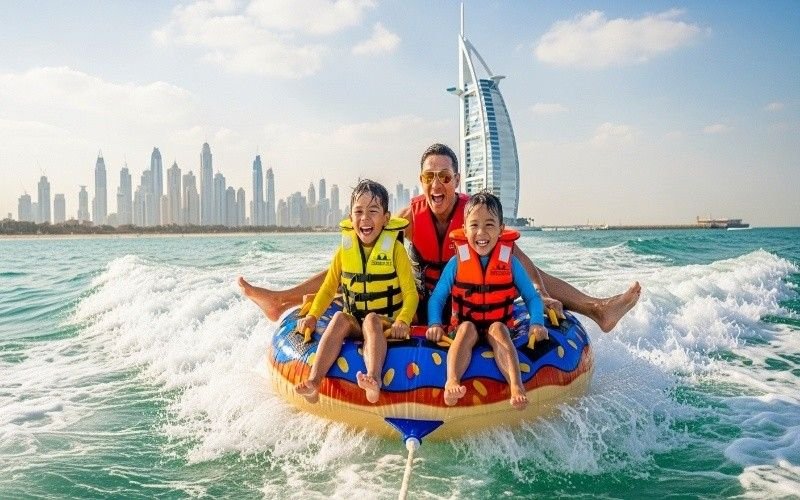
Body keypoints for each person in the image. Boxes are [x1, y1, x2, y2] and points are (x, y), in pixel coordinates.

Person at [239, 143, 640, 332]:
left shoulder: (474, 216)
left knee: (516, 276)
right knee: (357, 274)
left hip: (469, 298)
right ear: (421, 182)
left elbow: (514, 256)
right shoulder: (410, 215)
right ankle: (283, 301)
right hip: (424, 300)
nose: (437, 184)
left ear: (456, 181)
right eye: (429, 177)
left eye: (444, 176)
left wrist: (538, 290)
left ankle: (596, 309)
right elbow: (358, 255)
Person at [293, 180, 418, 404]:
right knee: (340, 317)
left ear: (386, 218)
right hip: (355, 320)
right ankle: (314, 381)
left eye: (373, 211)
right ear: (351, 218)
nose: (365, 218)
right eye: (358, 212)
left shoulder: (396, 250)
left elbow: (411, 294)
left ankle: (373, 380)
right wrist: (312, 316)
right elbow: (328, 289)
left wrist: (403, 321)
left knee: (371, 320)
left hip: (387, 322)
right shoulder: (344, 251)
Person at [426, 191, 547, 410]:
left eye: (489, 225)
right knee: (466, 330)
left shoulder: (509, 262)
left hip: (497, 324)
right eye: (474, 226)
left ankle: (516, 386)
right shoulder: (457, 263)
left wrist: (537, 322)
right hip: (465, 324)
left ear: (501, 229)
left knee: (499, 329)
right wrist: (435, 323)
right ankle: (452, 381)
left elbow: (531, 297)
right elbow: (438, 298)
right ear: (464, 229)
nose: (481, 233)